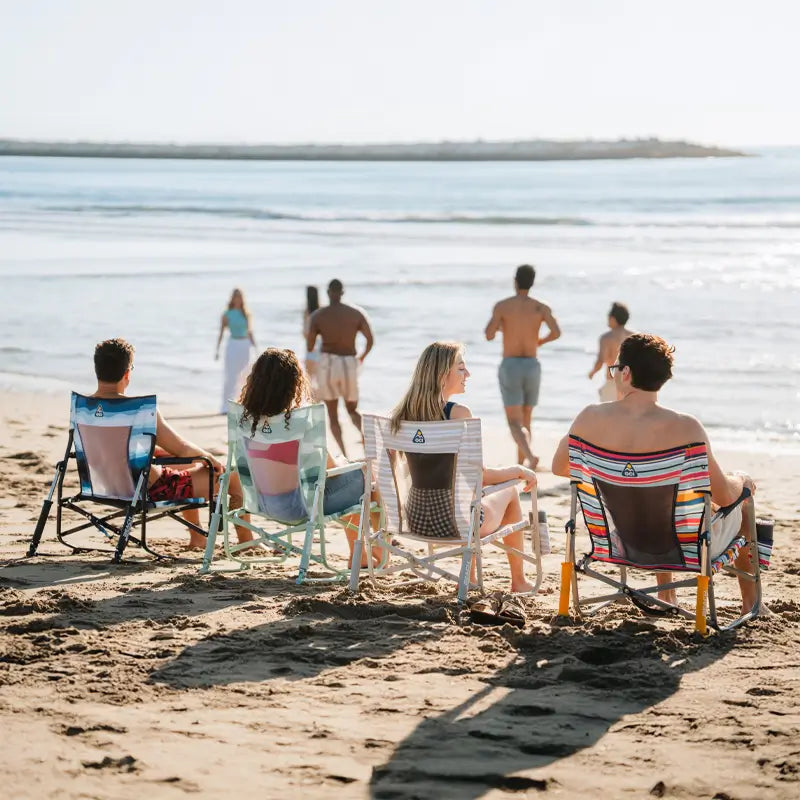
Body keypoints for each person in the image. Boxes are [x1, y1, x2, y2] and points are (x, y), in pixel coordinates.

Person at [552, 333, 759, 613]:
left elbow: (560, 466)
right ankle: (751, 604)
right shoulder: (686, 428)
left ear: (625, 373)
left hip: (620, 540)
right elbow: (724, 497)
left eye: (614, 368)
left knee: (657, 499)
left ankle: (667, 595)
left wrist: (615, 474)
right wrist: (742, 481)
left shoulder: (589, 418)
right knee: (743, 504)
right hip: (682, 549)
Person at [390, 341, 537, 594]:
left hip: (414, 520)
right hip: (456, 524)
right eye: (461, 368)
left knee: (464, 498)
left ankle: (468, 575)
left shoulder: (402, 415)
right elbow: (479, 476)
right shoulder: (458, 414)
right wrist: (518, 470)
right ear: (441, 375)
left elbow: (394, 471)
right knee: (510, 492)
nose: (467, 374)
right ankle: (519, 582)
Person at [91, 338, 253, 549]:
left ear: (97, 370)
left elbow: (109, 449)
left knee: (181, 464)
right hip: (148, 489)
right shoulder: (140, 410)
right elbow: (182, 448)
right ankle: (247, 543)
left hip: (105, 485)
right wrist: (210, 459)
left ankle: (198, 538)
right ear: (128, 373)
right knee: (232, 477)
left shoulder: (83, 408)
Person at [238, 348, 380, 567]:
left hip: (261, 503)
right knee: (367, 479)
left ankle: (362, 554)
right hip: (299, 507)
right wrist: (347, 463)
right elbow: (327, 469)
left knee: (350, 477)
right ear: (294, 384)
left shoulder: (245, 420)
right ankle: (366, 554)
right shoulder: (300, 421)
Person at [485, 264, 561, 469]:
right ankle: (522, 464)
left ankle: (530, 455)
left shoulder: (503, 306)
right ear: (533, 282)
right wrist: (539, 342)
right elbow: (556, 332)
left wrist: (503, 327)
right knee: (527, 418)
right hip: (532, 365)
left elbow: (489, 334)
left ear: (515, 281)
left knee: (514, 421)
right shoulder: (541, 306)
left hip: (511, 365)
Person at [306, 278, 374, 457]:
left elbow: (310, 346)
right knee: (352, 410)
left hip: (328, 364)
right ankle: (368, 442)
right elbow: (370, 339)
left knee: (333, 414)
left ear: (328, 293)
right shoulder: (356, 313)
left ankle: (344, 455)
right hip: (348, 363)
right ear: (342, 293)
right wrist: (361, 357)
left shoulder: (318, 315)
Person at [215, 288, 256, 414]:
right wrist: (217, 349)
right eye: (236, 296)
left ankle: (242, 404)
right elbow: (221, 332)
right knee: (231, 375)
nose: (238, 299)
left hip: (245, 345)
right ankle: (225, 406)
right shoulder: (227, 314)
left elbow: (250, 332)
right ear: (232, 298)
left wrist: (256, 347)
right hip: (233, 344)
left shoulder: (246, 314)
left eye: (240, 296)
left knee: (245, 375)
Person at [588, 302, 633, 402]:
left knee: (608, 415)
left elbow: (601, 360)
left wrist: (592, 372)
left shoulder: (607, 338)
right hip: (630, 384)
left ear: (613, 318)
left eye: (608, 316)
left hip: (613, 381)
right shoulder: (634, 336)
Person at [303, 285, 321, 395]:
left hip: (310, 347)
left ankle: (311, 405)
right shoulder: (321, 310)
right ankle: (319, 405)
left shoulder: (307, 312)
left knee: (308, 381)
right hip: (320, 348)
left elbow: (305, 332)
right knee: (319, 381)